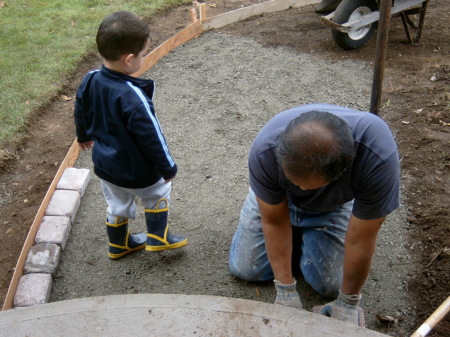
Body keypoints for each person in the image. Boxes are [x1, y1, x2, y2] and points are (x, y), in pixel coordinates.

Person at [229, 103, 400, 327]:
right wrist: (285, 288)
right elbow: (274, 220)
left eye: (308, 186)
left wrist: (348, 301)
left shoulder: (377, 157)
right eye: (295, 182)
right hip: (279, 200)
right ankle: (296, 236)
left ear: (345, 167)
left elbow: (361, 239)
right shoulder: (266, 150)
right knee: (246, 269)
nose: (302, 189)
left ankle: (301, 237)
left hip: (333, 205)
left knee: (330, 285)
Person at [74, 11, 187, 260]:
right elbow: (152, 136)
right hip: (139, 171)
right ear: (128, 60)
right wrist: (168, 167)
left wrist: (82, 136)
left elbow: (80, 107)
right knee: (158, 193)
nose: (144, 57)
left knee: (116, 203)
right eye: (143, 53)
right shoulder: (132, 96)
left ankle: (119, 244)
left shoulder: (90, 78)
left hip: (106, 166)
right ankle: (158, 237)